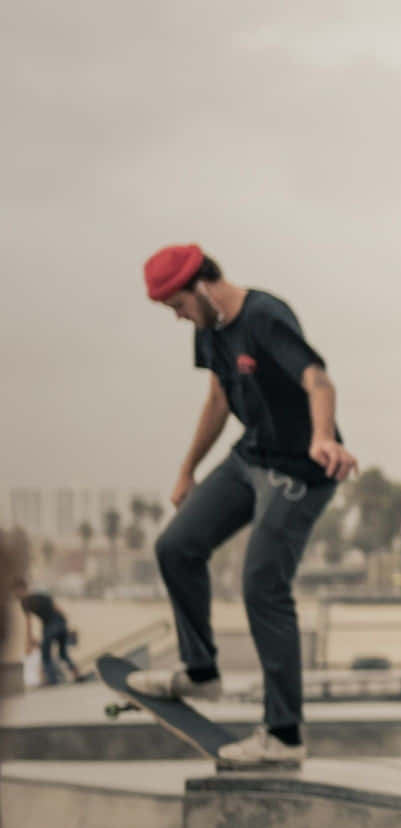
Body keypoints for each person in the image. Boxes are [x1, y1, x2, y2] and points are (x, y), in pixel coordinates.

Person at [130, 245, 356, 768]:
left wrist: (323, 436)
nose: (179, 317)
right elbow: (217, 398)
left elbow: (317, 379)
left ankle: (282, 734)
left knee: (261, 584)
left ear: (202, 287)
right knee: (176, 546)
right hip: (249, 456)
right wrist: (188, 470)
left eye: (179, 306)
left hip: (299, 469)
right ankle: (200, 672)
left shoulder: (265, 318)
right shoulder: (209, 328)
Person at [20, 590, 82, 686]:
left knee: (46, 655)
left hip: (50, 625)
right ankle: (77, 675)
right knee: (63, 654)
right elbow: (58, 609)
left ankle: (52, 680)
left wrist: (28, 643)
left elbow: (29, 622)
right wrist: (65, 625)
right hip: (61, 622)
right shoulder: (40, 595)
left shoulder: (25, 602)